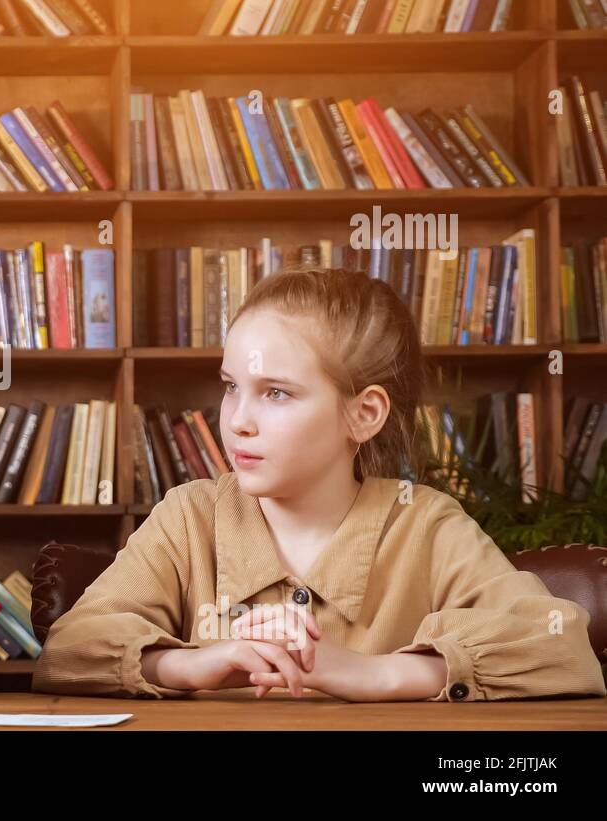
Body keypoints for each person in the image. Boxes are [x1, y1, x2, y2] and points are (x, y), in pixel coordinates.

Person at [33, 267, 606, 702]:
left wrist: (370, 672)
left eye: (276, 392)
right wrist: (190, 663)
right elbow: (68, 650)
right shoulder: (189, 516)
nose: (236, 419)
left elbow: (558, 646)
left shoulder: (426, 523)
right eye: (232, 385)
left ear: (364, 414)